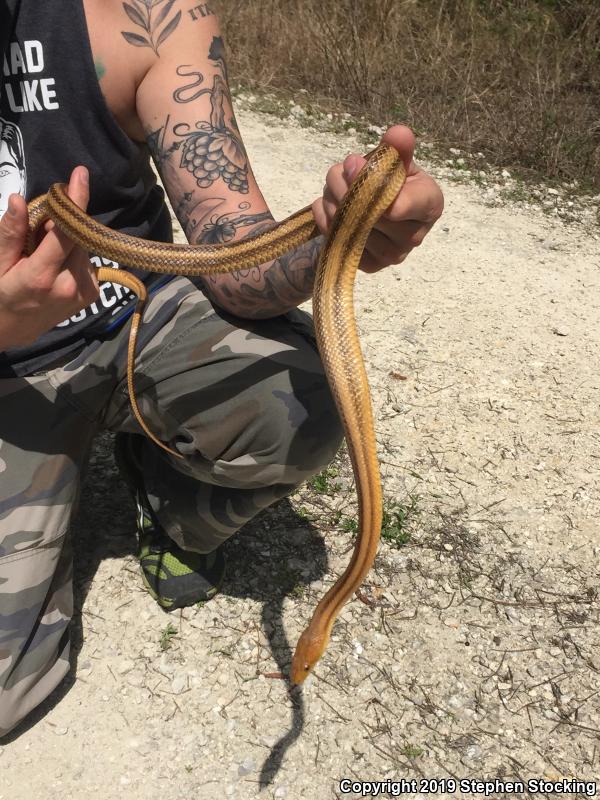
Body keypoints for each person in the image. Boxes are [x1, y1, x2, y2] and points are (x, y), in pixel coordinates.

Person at [0, 0, 444, 736]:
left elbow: (234, 261)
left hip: (134, 316)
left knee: (299, 400)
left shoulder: (147, 14)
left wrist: (342, 237)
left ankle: (164, 498)